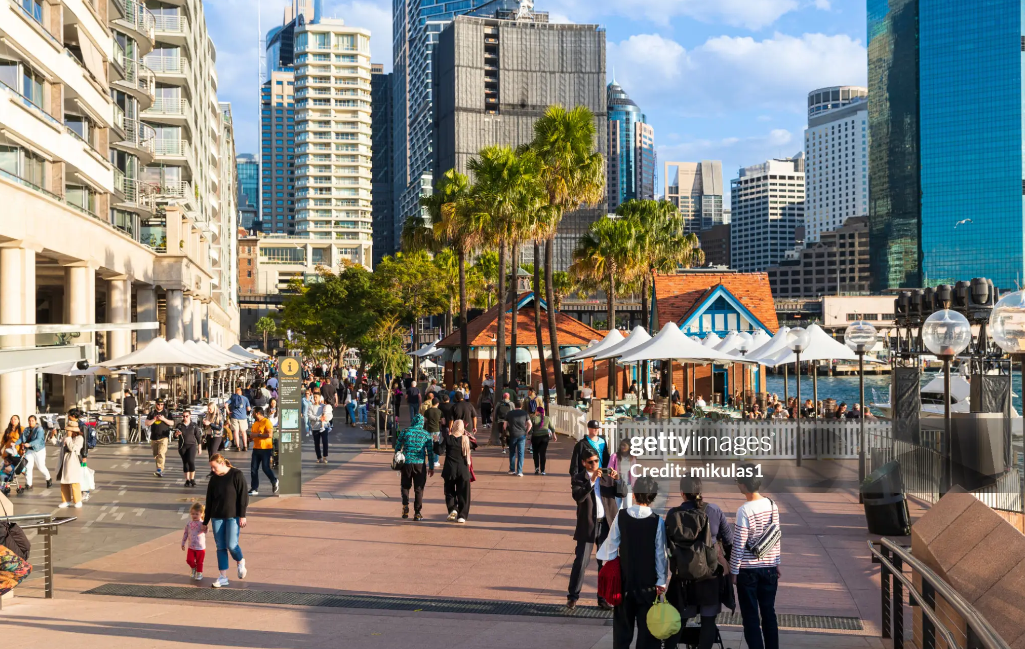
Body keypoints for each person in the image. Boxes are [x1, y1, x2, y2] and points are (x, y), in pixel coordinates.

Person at [597, 476, 666, 649]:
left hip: (624, 582)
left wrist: (611, 568)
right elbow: (660, 554)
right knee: (648, 632)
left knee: (622, 631)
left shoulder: (621, 517)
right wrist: (661, 581)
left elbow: (610, 547)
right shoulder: (657, 521)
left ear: (634, 494)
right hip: (648, 584)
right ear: (653, 497)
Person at [665, 476, 733, 649]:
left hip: (683, 576)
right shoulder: (713, 510)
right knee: (708, 622)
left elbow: (666, 543)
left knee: (678, 621)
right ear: (700, 492)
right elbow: (728, 539)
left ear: (682, 493)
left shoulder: (673, 514)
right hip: (709, 575)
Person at [731, 474, 781, 649]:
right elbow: (775, 536)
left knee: (751, 617)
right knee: (769, 613)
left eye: (737, 481)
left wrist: (734, 571)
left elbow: (739, 542)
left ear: (743, 485)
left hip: (748, 571)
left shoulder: (744, 510)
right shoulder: (772, 505)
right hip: (769, 569)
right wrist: (776, 562)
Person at [567, 445, 618, 610]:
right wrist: (592, 481)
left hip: (606, 525)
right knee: (581, 561)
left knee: (603, 563)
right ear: (584, 463)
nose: (594, 464)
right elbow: (578, 497)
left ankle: (602, 598)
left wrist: (618, 480)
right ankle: (573, 597)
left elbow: (622, 493)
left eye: (596, 461)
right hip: (588, 525)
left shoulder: (607, 476)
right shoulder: (579, 478)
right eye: (590, 462)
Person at [203, 454, 248, 588]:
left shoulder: (236, 475)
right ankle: (223, 577)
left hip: (233, 516)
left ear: (222, 463)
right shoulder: (214, 479)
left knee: (232, 544)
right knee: (220, 546)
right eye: (211, 467)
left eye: (214, 467)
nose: (212, 470)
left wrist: (242, 515)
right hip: (217, 516)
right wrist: (205, 522)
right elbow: (209, 500)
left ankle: (240, 561)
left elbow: (243, 496)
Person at [394, 414, 435, 521]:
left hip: (406, 463)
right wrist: (431, 467)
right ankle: (417, 512)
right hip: (420, 464)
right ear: (422, 423)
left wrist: (397, 458)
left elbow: (397, 447)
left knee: (405, 486)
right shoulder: (426, 434)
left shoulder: (405, 431)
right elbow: (430, 453)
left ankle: (405, 506)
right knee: (419, 488)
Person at [442, 419, 472, 523]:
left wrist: (436, 441)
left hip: (450, 469)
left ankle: (453, 509)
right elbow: (474, 444)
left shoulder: (448, 438)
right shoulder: (465, 439)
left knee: (449, 491)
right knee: (464, 493)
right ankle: (462, 516)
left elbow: (439, 450)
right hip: (463, 469)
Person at [248, 407, 278, 496]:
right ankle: (254, 488)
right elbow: (254, 436)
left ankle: (274, 480)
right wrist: (250, 438)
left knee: (265, 468)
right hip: (256, 448)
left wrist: (257, 435)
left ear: (257, 413)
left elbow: (270, 434)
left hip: (265, 448)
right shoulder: (255, 423)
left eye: (253, 413)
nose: (252, 414)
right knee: (253, 469)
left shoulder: (266, 422)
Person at [56, 419, 84, 509]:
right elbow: (60, 444)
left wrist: (68, 438)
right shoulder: (66, 436)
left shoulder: (79, 438)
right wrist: (53, 438)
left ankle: (78, 500)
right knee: (64, 481)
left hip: (73, 461)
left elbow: (73, 448)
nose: (68, 432)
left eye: (69, 430)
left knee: (74, 481)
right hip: (64, 460)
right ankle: (66, 500)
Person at [174, 410, 203, 487]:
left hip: (192, 445)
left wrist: (199, 447)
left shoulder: (194, 425)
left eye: (186, 416)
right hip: (182, 446)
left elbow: (198, 437)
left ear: (190, 416)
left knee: (191, 461)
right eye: (183, 416)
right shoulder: (179, 425)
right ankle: (187, 480)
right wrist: (176, 434)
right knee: (185, 462)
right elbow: (174, 436)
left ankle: (192, 479)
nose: (185, 417)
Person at [145, 400, 174, 478]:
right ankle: (159, 467)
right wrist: (154, 419)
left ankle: (159, 469)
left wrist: (163, 419)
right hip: (154, 437)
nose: (160, 406)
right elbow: (146, 423)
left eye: (162, 404)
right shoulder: (152, 413)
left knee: (161, 453)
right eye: (159, 404)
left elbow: (172, 423)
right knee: (156, 454)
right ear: (156, 404)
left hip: (163, 437)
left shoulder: (167, 413)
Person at [21, 416, 51, 489]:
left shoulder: (39, 429)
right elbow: (22, 438)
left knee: (41, 467)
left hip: (39, 450)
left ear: (35, 421)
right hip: (29, 450)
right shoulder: (26, 429)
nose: (31, 422)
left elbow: (38, 439)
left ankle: (48, 478)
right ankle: (29, 484)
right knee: (28, 467)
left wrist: (30, 444)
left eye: (32, 420)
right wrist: (15, 443)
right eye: (29, 421)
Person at [504, 399, 531, 477]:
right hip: (522, 435)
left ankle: (512, 469)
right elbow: (530, 424)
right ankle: (519, 471)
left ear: (514, 405)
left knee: (512, 452)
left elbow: (504, 425)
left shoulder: (509, 413)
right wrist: (526, 431)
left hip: (512, 435)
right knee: (521, 453)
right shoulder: (525, 413)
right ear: (521, 406)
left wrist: (506, 431)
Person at [182, 502, 207, 581]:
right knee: (189, 560)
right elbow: (186, 533)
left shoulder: (202, 523)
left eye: (197, 514)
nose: (194, 516)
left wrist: (205, 527)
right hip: (191, 546)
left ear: (201, 514)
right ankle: (194, 568)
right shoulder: (189, 523)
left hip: (200, 547)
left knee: (200, 561)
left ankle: (199, 573)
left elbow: (206, 531)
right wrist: (183, 542)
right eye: (193, 514)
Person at [608, 439, 635, 509]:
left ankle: (627, 519)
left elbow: (633, 473)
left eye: (625, 445)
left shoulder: (632, 458)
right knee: (617, 505)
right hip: (617, 482)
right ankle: (617, 519)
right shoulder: (614, 456)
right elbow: (609, 468)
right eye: (622, 445)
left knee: (628, 506)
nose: (623, 447)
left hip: (627, 484)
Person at [529, 406, 556, 475]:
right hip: (544, 438)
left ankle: (537, 468)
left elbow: (531, 430)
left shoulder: (534, 418)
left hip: (535, 438)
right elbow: (552, 428)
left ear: (537, 412)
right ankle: (543, 470)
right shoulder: (547, 418)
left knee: (535, 453)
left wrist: (529, 437)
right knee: (543, 454)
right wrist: (554, 435)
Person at [309, 394, 332, 464]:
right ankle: (319, 457)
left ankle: (325, 456)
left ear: (319, 398)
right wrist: (318, 418)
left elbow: (329, 414)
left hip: (324, 426)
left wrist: (326, 418)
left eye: (316, 397)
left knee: (325, 441)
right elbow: (310, 416)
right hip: (315, 427)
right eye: (314, 397)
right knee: (317, 443)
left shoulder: (323, 406)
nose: (315, 399)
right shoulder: (311, 407)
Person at [227, 387, 251, 452]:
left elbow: (225, 404)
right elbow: (249, 409)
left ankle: (238, 446)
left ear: (235, 392)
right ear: (241, 392)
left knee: (236, 431)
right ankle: (245, 446)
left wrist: (228, 411)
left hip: (234, 416)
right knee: (243, 432)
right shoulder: (245, 399)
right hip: (243, 417)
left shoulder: (233, 398)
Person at [423, 397, 443, 470]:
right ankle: (436, 461)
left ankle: (429, 461)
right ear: (437, 403)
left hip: (429, 430)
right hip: (436, 430)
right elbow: (443, 422)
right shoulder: (440, 412)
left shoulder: (427, 411)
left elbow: (424, 420)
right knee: (436, 445)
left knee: (429, 446)